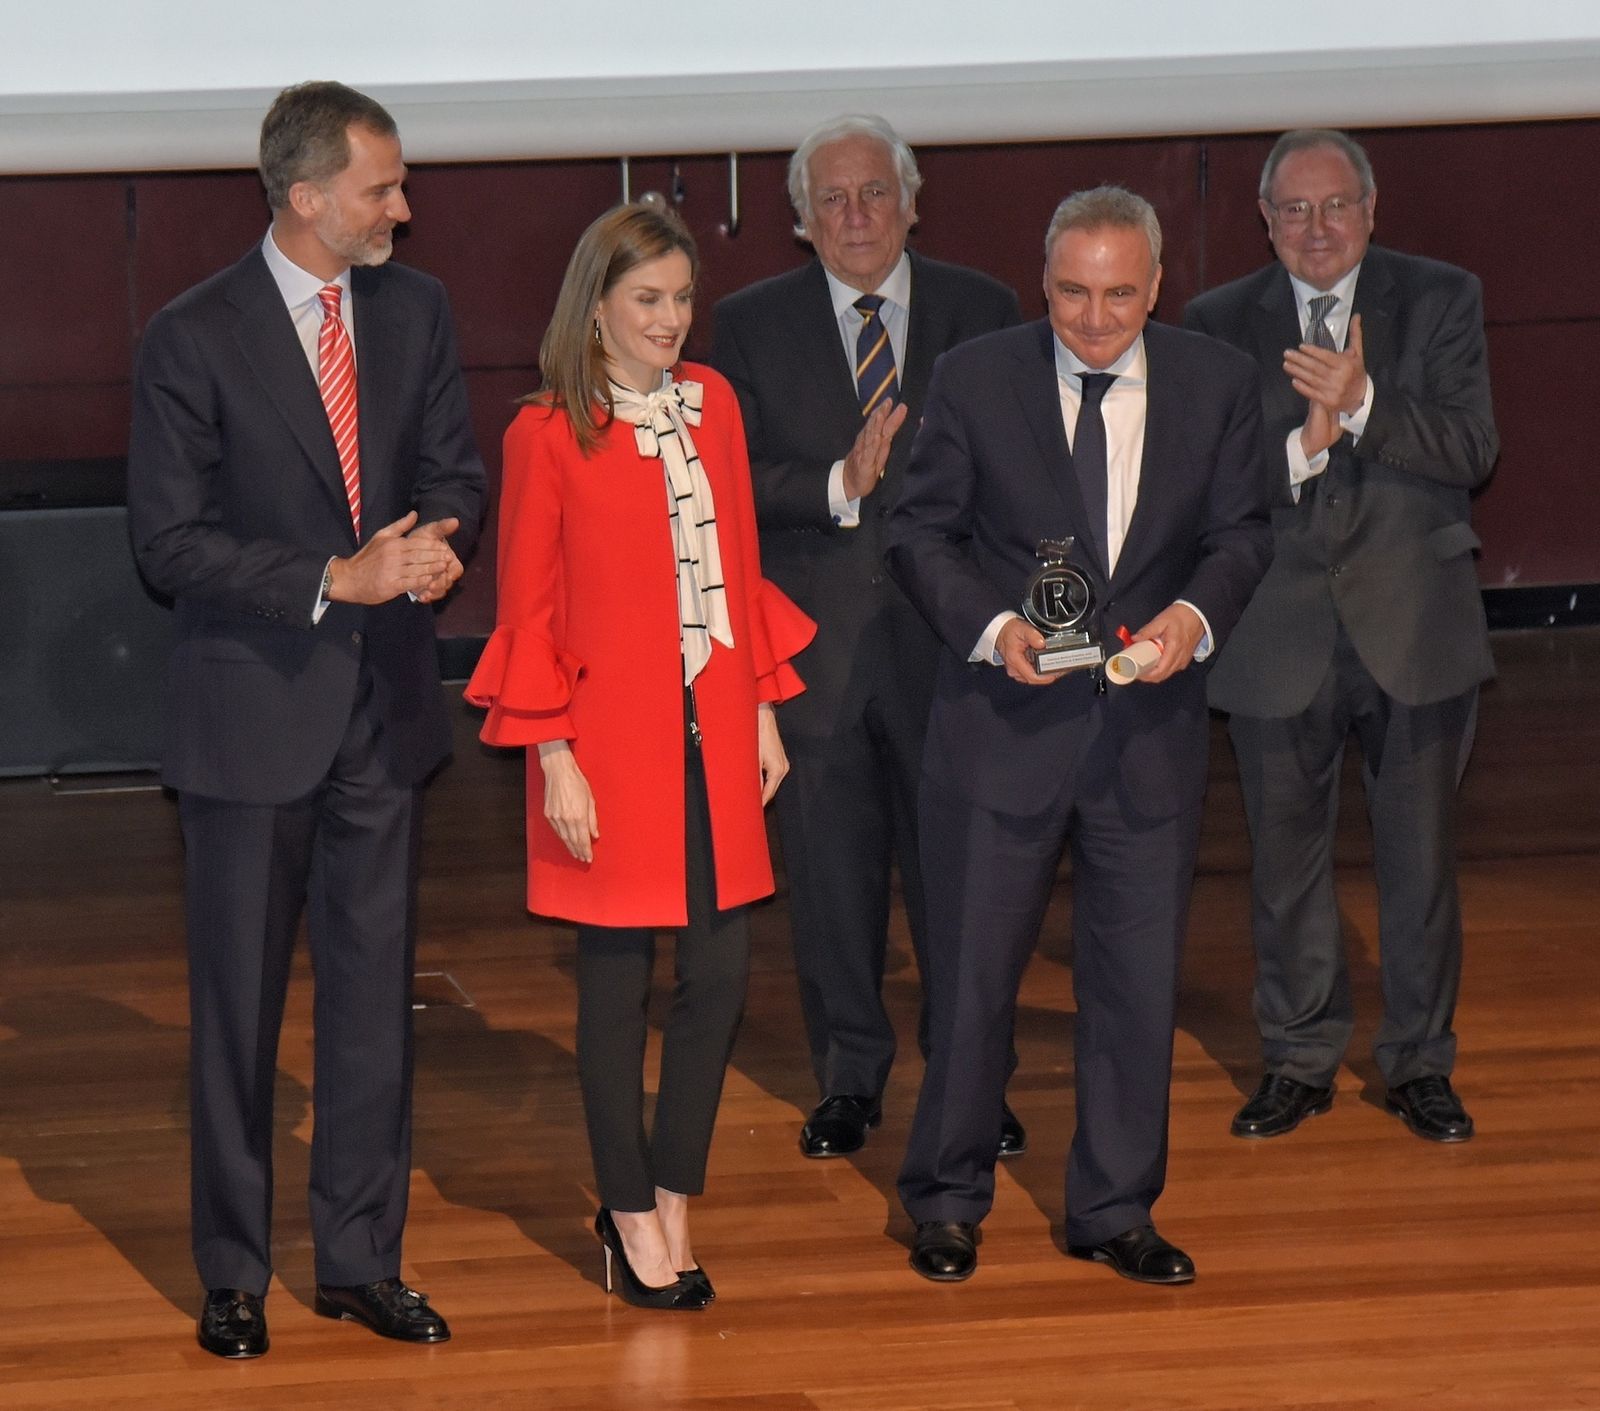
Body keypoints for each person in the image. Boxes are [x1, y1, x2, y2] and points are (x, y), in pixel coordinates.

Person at [127, 81, 485, 1357]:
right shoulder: (193, 333)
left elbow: (452, 470)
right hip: (248, 720)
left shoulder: (416, 306)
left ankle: (359, 1260)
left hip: (383, 716)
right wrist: (335, 578)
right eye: (383, 186)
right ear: (307, 196)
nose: (405, 204)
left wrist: (439, 547)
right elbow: (167, 543)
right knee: (236, 1011)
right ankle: (232, 1269)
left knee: (374, 1000)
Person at [887, 186, 1272, 1284]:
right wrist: (992, 627)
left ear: (1157, 286)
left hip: (1146, 734)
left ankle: (1112, 1206)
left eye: (1117, 294)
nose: (1094, 318)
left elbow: (1243, 535)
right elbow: (920, 532)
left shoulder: (1217, 383)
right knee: (969, 983)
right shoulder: (974, 375)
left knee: (1135, 987)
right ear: (1040, 281)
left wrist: (1191, 621)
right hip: (998, 731)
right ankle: (947, 1199)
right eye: (1070, 292)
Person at [465, 204, 814, 1310]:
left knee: (718, 976)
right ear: (597, 306)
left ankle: (673, 1189)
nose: (669, 321)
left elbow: (742, 559)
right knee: (615, 988)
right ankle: (624, 1209)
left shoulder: (712, 407)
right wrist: (552, 755)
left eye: (679, 298)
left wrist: (761, 706)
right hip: (606, 743)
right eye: (645, 301)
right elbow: (528, 605)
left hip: (716, 730)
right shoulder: (545, 430)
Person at [711, 115, 1024, 1161]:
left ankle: (973, 1076)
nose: (855, 216)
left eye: (874, 193)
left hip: (955, 650)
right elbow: (724, 485)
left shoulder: (983, 311)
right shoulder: (748, 325)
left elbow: (1023, 470)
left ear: (912, 203)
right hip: (815, 650)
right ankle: (849, 1076)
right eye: (832, 200)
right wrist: (839, 482)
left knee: (963, 885)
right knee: (832, 883)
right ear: (800, 221)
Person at [1184, 129, 1497, 1145]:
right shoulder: (1215, 323)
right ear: (1264, 221)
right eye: (1293, 210)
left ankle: (1417, 1062)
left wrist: (1360, 402)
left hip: (1414, 625)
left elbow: (1470, 446)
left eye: (1334, 207)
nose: (1315, 228)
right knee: (1284, 868)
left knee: (1419, 865)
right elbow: (1205, 487)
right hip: (1274, 632)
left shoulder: (1440, 295)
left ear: (1369, 211)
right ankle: (1299, 1057)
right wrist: (1300, 449)